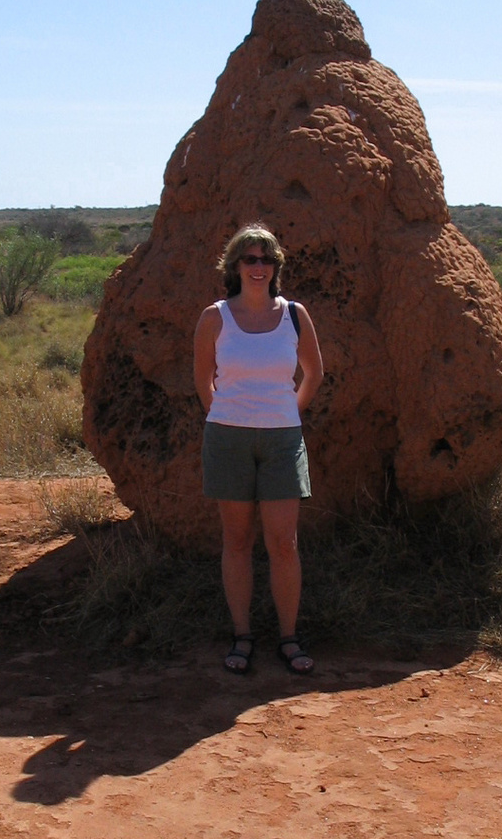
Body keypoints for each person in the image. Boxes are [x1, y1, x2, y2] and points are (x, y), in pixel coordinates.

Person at [194, 223, 324, 675]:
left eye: (266, 259)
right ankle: (242, 635)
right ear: (234, 266)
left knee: (284, 542)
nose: (258, 267)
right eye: (249, 259)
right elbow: (202, 380)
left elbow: (314, 373)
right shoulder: (215, 317)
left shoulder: (293, 315)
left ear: (276, 267)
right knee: (238, 540)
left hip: (282, 439)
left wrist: (288, 412)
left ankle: (288, 637)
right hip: (228, 437)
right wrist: (227, 415)